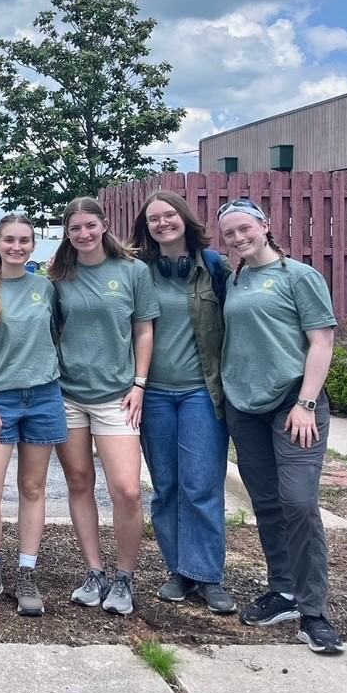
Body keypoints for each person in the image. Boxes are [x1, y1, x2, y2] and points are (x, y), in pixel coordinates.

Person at [217, 198, 343, 654]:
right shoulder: (235, 279)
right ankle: (284, 592)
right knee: (268, 503)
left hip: (293, 405)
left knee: (299, 502)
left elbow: (322, 341)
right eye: (229, 234)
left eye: (244, 229)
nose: (238, 238)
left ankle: (314, 613)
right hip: (245, 407)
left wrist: (306, 403)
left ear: (265, 226)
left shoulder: (299, 276)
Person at [49, 197, 159, 616]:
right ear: (67, 233)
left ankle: (125, 576)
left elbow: (144, 330)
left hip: (117, 397)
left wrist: (140, 384)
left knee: (127, 490)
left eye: (90, 226)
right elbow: (49, 329)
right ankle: (94, 571)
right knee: (79, 483)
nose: (84, 234)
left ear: (104, 225)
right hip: (68, 396)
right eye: (75, 228)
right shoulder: (58, 276)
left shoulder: (132, 271)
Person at [128, 191, 237, 614]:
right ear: (146, 227)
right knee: (166, 487)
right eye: (153, 219)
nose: (162, 223)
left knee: (201, 485)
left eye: (169, 215)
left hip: (200, 392)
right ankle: (179, 571)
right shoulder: (139, 271)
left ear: (184, 217)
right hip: (152, 394)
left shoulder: (214, 267)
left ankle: (207, 575)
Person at [0, 214, 66, 617]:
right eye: (9, 240)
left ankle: (26, 573)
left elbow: (57, 336)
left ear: (33, 245)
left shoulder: (46, 289)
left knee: (33, 489)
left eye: (24, 240)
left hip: (43, 398)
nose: (16, 247)